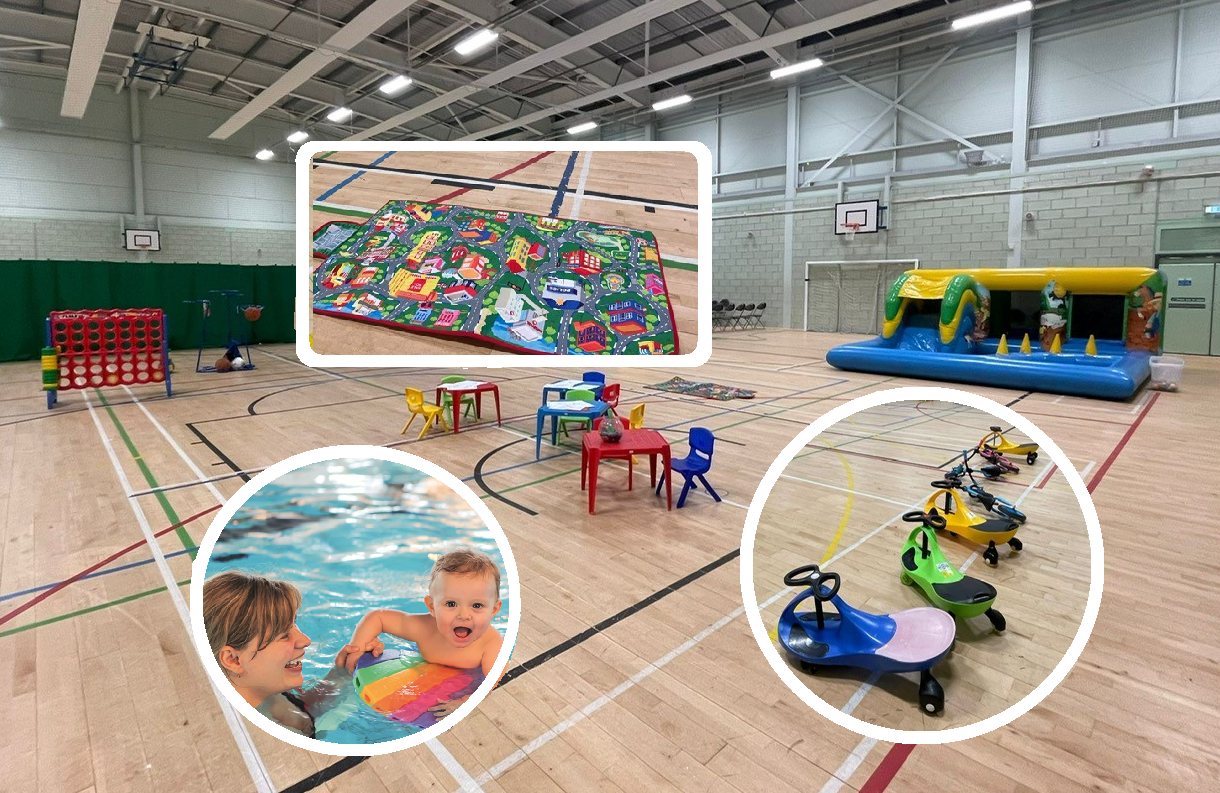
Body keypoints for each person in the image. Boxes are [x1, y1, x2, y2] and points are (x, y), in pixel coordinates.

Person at [336, 548, 504, 718]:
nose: (464, 615)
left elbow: (494, 683)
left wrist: (464, 702)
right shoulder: (423, 628)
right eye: (451, 604)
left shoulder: (491, 645)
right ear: (432, 607)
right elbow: (377, 618)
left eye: (477, 606)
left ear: (494, 610)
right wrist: (357, 648)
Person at [203, 570, 343, 738]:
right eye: (284, 634)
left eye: (294, 624)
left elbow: (307, 705)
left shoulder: (262, 685)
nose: (306, 640)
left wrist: (342, 674)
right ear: (234, 660)